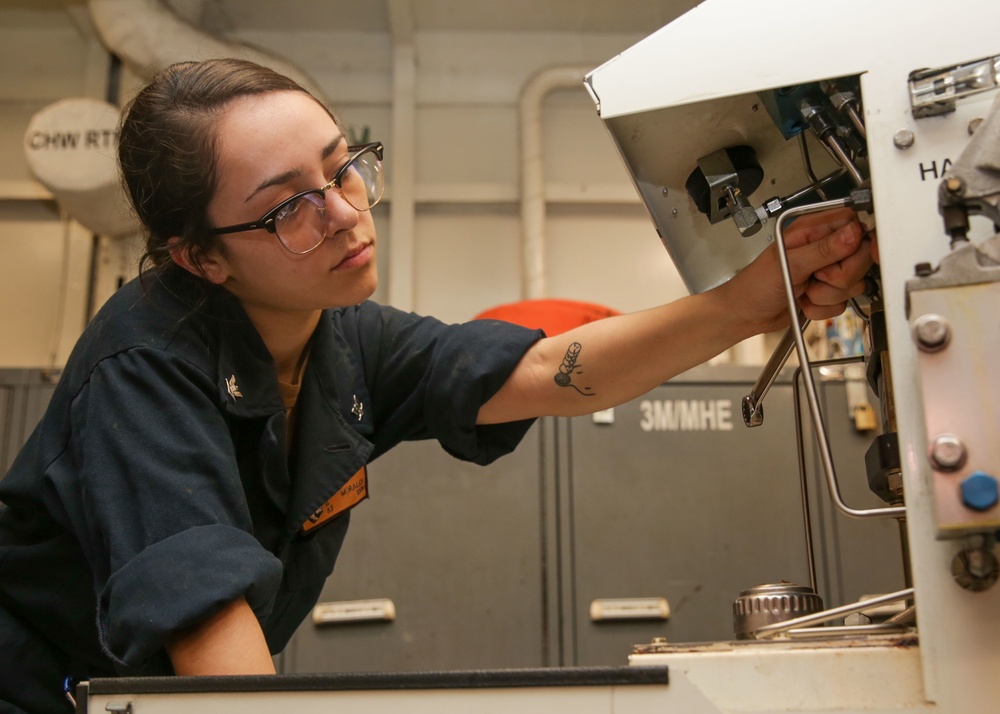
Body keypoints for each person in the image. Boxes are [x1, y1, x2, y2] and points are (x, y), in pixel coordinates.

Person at [0, 58, 873, 713]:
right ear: (201, 257)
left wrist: (750, 302)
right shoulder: (145, 368)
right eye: (288, 206)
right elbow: (208, 630)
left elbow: (541, 370)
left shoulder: (342, 338)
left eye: (343, 167)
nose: (345, 212)